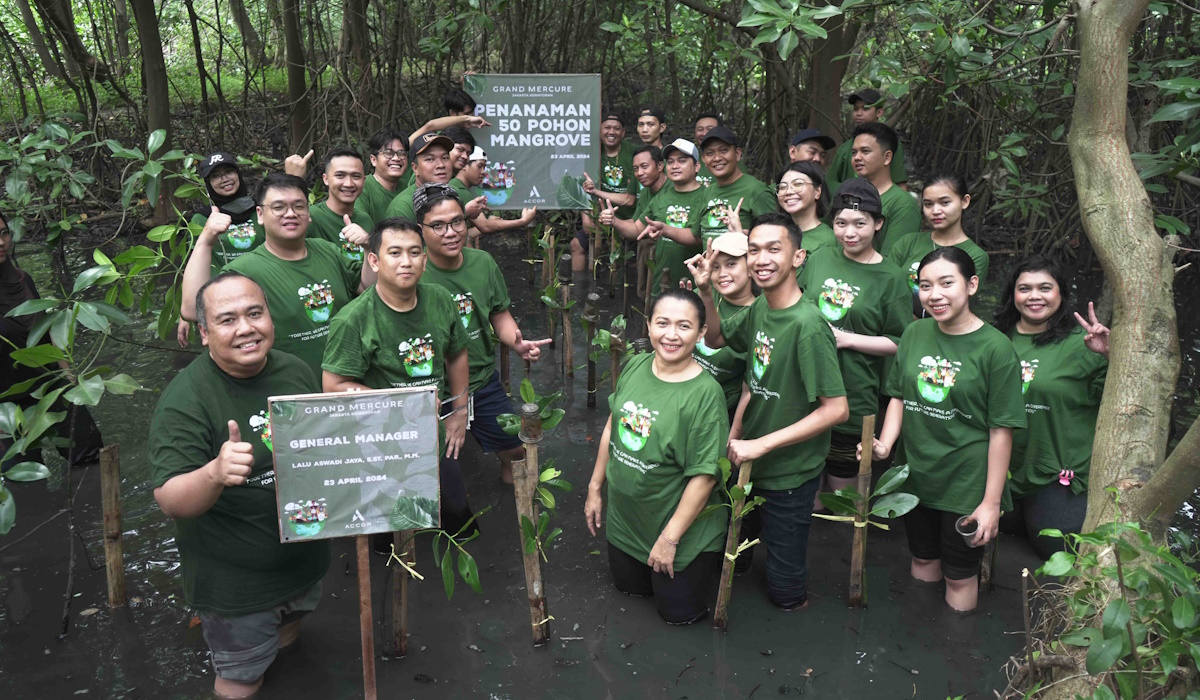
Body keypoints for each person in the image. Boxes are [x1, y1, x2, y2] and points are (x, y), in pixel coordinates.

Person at [150, 272, 331, 699]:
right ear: (204, 331)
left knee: (288, 646)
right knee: (241, 681)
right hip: (238, 584)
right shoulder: (185, 399)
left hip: (304, 560)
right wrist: (214, 473)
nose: (246, 328)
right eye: (228, 319)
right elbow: (170, 500)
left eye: (255, 313)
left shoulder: (295, 369)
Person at [688, 212, 849, 610]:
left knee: (784, 589)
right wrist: (707, 293)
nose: (762, 259)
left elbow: (837, 410)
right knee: (737, 559)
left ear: (798, 257)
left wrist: (761, 445)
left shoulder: (808, 326)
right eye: (754, 249)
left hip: (789, 471)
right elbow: (718, 336)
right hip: (749, 460)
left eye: (774, 249)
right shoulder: (762, 308)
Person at [866, 247, 1026, 612]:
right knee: (922, 560)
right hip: (916, 471)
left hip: (965, 478)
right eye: (925, 286)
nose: (934, 295)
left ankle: (957, 647)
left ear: (971, 285)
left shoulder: (996, 349)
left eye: (946, 283)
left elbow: (1002, 430)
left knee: (959, 574)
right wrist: (885, 445)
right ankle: (917, 641)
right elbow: (899, 397)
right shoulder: (914, 332)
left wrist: (991, 504)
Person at [321, 217, 477, 535]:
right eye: (395, 253)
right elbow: (333, 386)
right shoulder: (353, 320)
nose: (406, 262)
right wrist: (403, 403)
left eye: (414, 252)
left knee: (459, 519)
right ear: (375, 261)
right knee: (389, 535)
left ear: (424, 258)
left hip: (432, 429)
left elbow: (457, 353)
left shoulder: (440, 300)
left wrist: (459, 411)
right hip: (381, 437)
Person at [583, 289, 730, 624]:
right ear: (648, 326)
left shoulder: (706, 396)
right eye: (663, 323)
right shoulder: (636, 365)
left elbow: (705, 476)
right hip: (626, 520)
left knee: (677, 616)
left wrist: (669, 539)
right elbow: (613, 424)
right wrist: (594, 488)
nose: (671, 335)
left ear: (701, 332)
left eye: (684, 326)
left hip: (677, 528)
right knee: (628, 591)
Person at [413, 184, 551, 484]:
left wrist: (517, 341)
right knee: (433, 475)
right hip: (431, 389)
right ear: (419, 230)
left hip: (480, 379)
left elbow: (498, 314)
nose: (450, 232)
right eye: (438, 225)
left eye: (457, 221)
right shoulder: (412, 271)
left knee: (516, 456)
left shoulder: (482, 263)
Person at [180, 173, 376, 378]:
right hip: (288, 385)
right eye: (278, 207)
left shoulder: (327, 250)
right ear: (260, 215)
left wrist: (367, 247)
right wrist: (206, 239)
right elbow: (192, 310)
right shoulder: (244, 271)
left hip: (344, 378)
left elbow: (366, 287)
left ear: (309, 214)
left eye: (299, 206)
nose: (290, 213)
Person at [798, 180, 910, 502]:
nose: (850, 232)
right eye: (841, 223)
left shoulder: (891, 278)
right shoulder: (820, 259)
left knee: (842, 498)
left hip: (855, 395)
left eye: (860, 223)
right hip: (807, 389)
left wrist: (846, 340)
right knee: (805, 490)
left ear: (878, 224)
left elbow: (900, 342)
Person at [993, 257, 1108, 559]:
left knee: (1058, 549)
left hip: (1054, 471)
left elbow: (1125, 403)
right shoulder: (993, 338)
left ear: (1061, 294)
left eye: (1045, 288)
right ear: (1012, 294)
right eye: (1024, 288)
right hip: (999, 467)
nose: (1034, 296)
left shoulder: (1085, 344)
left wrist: (1113, 356)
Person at [0, 212, 103, 468]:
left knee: (91, 453)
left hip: (49, 385)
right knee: (23, 481)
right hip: (6, 404)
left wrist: (68, 380)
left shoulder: (23, 280)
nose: (1, 242)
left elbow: (45, 331)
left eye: (3, 233)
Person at [178, 152, 267, 347]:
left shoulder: (260, 210)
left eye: (229, 172)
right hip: (224, 299)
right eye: (216, 176)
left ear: (238, 175)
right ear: (208, 184)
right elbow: (193, 264)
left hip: (265, 292)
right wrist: (186, 312)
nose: (224, 179)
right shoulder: (201, 220)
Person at [887, 174, 990, 315]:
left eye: (945, 202)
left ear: (964, 201)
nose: (935, 211)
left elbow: (957, 308)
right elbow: (884, 287)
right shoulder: (908, 242)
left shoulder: (975, 255)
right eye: (928, 204)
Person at [686, 231, 753, 415]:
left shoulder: (757, 313)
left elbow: (750, 388)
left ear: (750, 267)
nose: (722, 273)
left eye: (731, 264)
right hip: (684, 396)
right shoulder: (707, 295)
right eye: (715, 267)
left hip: (720, 409)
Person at [631, 139, 708, 291]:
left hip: (693, 283)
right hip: (661, 281)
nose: (675, 166)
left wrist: (665, 229)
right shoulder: (662, 196)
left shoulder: (707, 196)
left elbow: (697, 237)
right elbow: (636, 228)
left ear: (697, 166)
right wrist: (613, 220)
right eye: (671, 162)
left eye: (682, 161)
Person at [598, 145, 667, 297]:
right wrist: (613, 220)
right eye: (636, 169)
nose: (639, 173)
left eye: (644, 166)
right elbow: (636, 227)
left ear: (661, 165)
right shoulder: (646, 193)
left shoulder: (673, 189)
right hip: (652, 254)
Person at [692, 127, 778, 247]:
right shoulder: (707, 192)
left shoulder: (757, 190)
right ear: (704, 160)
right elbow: (695, 236)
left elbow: (775, 238)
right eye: (710, 153)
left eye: (723, 150)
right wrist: (664, 228)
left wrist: (743, 237)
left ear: (737, 154)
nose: (717, 158)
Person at [575, 110, 638, 271]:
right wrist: (586, 216)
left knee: (628, 262)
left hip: (627, 217)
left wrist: (596, 191)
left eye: (616, 128)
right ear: (600, 130)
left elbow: (629, 198)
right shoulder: (592, 152)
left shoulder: (632, 152)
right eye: (607, 127)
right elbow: (584, 187)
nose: (611, 132)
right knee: (576, 246)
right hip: (599, 215)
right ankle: (577, 288)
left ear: (623, 133)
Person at [845, 122, 920, 255]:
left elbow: (892, 261)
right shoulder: (848, 195)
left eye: (865, 151)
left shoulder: (902, 204)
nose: (857, 157)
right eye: (854, 152)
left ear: (887, 157)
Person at [826, 88, 909, 195]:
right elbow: (830, 182)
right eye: (856, 109)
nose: (858, 113)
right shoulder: (845, 148)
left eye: (865, 109)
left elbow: (900, 183)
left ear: (879, 112)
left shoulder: (890, 144)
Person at [453, 146, 536, 240]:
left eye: (484, 167)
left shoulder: (456, 185)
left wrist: (486, 223)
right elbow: (485, 226)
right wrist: (522, 221)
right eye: (479, 166)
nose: (484, 172)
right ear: (464, 165)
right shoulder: (460, 190)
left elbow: (465, 234)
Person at [306, 147, 373, 263]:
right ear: (326, 179)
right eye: (340, 175)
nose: (348, 183)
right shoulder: (311, 217)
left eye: (356, 176)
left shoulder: (365, 219)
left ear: (364, 180)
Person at [359, 128, 410, 223]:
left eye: (401, 153)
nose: (396, 158)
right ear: (373, 160)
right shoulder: (362, 188)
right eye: (388, 153)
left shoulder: (406, 188)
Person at [691, 113, 721, 187]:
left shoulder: (730, 161)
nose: (704, 133)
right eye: (700, 129)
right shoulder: (691, 161)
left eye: (710, 129)